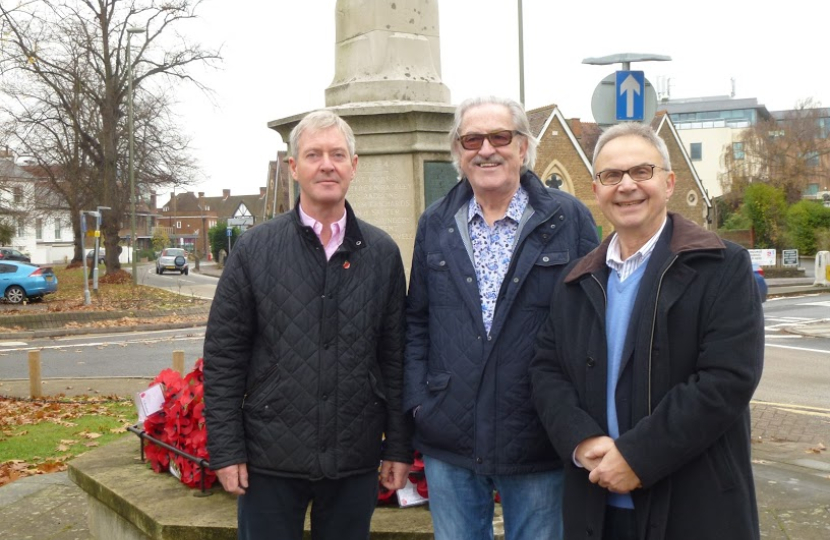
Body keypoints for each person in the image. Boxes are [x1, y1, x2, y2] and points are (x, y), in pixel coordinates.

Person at [530, 122, 764, 540]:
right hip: (595, 506)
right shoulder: (576, 279)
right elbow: (547, 372)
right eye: (611, 175)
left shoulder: (721, 265)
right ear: (596, 188)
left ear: (669, 182)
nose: (627, 186)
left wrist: (638, 457)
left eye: (642, 172)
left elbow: (726, 380)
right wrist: (581, 441)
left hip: (695, 507)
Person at [203, 109, 411, 540]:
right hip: (269, 460)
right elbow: (224, 356)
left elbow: (395, 356)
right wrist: (226, 449)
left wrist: (399, 446)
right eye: (314, 155)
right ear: (294, 168)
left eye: (338, 154)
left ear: (354, 166)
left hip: (352, 458)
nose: (327, 164)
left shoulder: (382, 253)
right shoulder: (255, 250)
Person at [404, 95, 599, 540]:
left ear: (523, 148)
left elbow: (593, 322)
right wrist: (421, 404)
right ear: (458, 151)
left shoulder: (568, 219)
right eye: (472, 139)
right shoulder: (435, 223)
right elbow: (417, 320)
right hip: (450, 437)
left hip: (538, 435)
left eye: (499, 136)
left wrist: (578, 417)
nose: (485, 149)